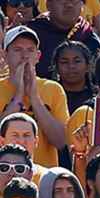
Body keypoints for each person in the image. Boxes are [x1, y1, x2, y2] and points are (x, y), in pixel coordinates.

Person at [0, 26, 68, 167]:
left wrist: (35, 98)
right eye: (18, 50)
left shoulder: (53, 89)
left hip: (43, 175)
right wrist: (18, 97)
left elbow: (61, 141)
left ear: (38, 56)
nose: (25, 56)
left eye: (30, 50)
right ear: (4, 55)